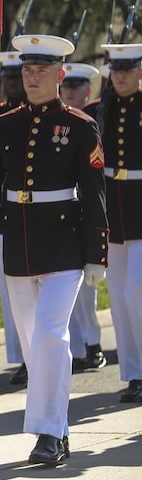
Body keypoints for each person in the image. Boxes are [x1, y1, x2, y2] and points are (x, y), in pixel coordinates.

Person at [0, 34, 108, 465]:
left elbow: (94, 193)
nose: (31, 79)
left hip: (65, 245)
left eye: (41, 72)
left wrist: (95, 252)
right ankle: (60, 428)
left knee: (51, 336)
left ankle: (47, 434)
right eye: (26, 72)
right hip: (19, 245)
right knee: (34, 345)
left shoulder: (80, 126)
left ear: (59, 75)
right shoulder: (4, 125)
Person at [89, 43, 142, 403]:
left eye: (127, 68)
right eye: (115, 69)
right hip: (113, 212)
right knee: (120, 298)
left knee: (135, 292)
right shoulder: (97, 111)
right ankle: (134, 373)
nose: (120, 75)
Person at [61, 62, 108, 372]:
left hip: (91, 209)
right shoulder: (61, 123)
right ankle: (78, 347)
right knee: (73, 295)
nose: (70, 92)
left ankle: (93, 344)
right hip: (66, 213)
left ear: (87, 91)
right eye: (67, 87)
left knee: (87, 290)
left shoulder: (90, 119)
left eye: (76, 88)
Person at [0, 49, 28, 386]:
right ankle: (22, 358)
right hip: (5, 218)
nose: (12, 84)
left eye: (17, 77)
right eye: (8, 78)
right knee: (12, 299)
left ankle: (33, 360)